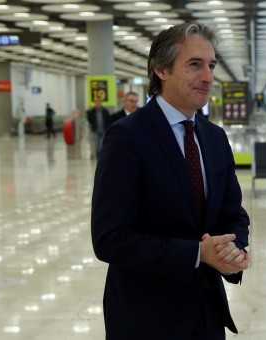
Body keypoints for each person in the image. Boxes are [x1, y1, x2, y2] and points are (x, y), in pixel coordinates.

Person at [91, 22, 250, 339]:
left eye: (211, 65)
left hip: (206, 311)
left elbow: (233, 212)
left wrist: (235, 249)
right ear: (161, 69)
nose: (207, 77)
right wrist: (196, 253)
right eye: (195, 65)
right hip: (146, 316)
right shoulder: (127, 137)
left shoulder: (215, 138)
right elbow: (110, 238)